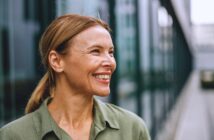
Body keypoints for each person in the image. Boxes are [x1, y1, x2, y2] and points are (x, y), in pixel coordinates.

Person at [0, 14, 150, 140]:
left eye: (110, 52)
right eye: (95, 51)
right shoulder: (13, 136)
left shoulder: (132, 129)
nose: (110, 62)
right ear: (56, 61)